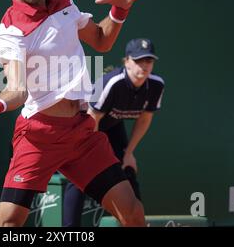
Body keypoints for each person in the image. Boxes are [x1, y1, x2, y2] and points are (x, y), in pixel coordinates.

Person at [0, 0, 145, 227]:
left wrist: (118, 12)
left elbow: (101, 40)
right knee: (8, 224)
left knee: (133, 213)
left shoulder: (65, 4)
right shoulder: (10, 29)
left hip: (81, 133)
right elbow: (16, 89)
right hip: (38, 137)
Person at [62, 38, 165, 227]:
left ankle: (136, 223)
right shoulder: (112, 83)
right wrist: (87, 153)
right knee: (79, 176)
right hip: (85, 124)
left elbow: (144, 119)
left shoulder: (156, 85)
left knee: (128, 168)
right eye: (138, 60)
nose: (144, 66)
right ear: (126, 61)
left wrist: (129, 153)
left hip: (112, 125)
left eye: (148, 61)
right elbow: (92, 118)